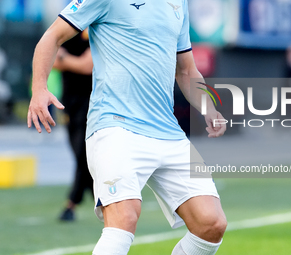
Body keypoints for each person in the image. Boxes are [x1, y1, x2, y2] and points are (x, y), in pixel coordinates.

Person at [27, 0, 227, 254]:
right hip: (115, 127)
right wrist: (39, 89)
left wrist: (208, 107)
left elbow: (186, 70)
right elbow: (52, 35)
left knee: (211, 225)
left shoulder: (179, 3)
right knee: (124, 221)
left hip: (168, 131)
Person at [52, 29, 94, 221]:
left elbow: (88, 66)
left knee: (82, 153)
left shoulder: (97, 31)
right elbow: (52, 61)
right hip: (69, 104)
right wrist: (69, 61)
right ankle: (99, 196)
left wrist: (65, 59)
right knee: (79, 154)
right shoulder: (68, 32)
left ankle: (72, 203)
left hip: (92, 104)